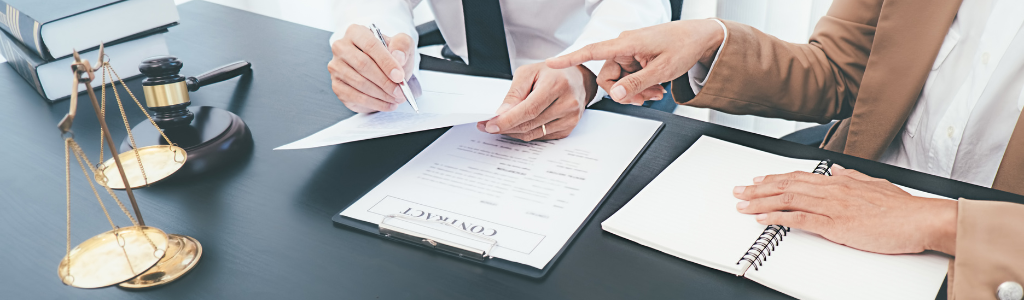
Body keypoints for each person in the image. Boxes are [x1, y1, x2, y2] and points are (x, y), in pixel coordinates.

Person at [547, 0, 1024, 298]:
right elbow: (840, 72)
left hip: (984, 259)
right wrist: (713, 40)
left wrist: (937, 221)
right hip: (844, 204)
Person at [327, 0, 669, 141]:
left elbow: (638, 4)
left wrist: (583, 72)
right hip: (462, 91)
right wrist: (372, 50)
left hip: (581, 78)